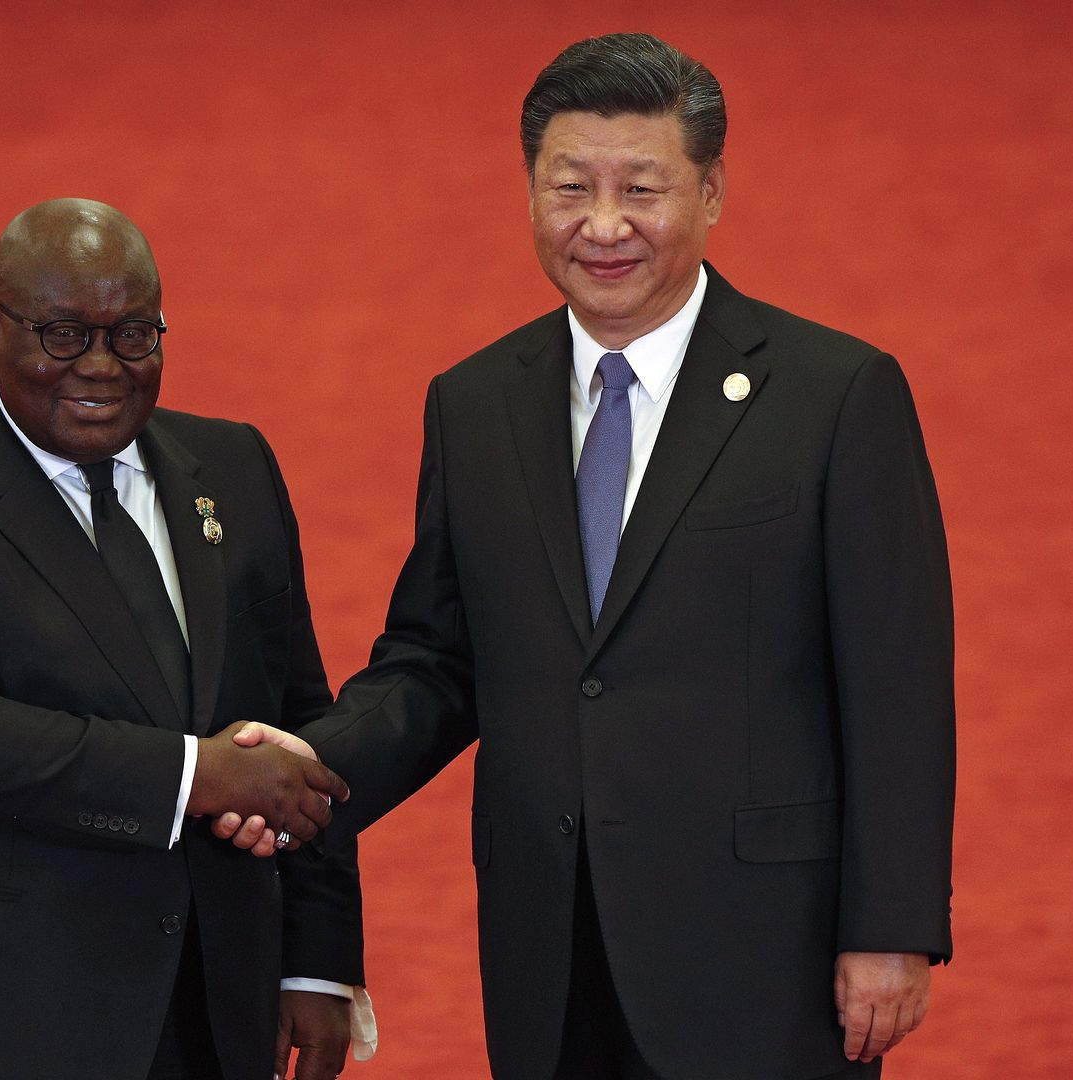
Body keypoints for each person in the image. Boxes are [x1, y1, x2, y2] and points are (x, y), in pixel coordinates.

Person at [225, 33, 956, 1080]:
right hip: (550, 940)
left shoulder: (835, 394)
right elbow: (437, 662)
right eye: (570, 187)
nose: (603, 226)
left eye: (641, 189)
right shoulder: (475, 404)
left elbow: (896, 684)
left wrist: (891, 927)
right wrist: (304, 770)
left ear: (710, 195)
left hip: (764, 946)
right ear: (529, 193)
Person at [0, 198, 366, 1080]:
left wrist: (317, 957)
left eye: (135, 334)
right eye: (65, 335)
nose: (105, 367)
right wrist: (197, 774)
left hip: (211, 1006)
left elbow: (296, 722)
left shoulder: (233, 467)